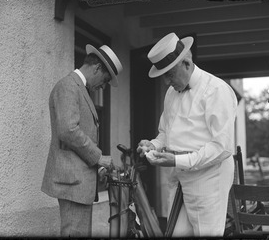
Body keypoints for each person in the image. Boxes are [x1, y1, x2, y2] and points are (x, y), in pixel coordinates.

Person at [137, 33, 237, 237]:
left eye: (169, 74)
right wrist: (153, 145)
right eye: (163, 76)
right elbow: (165, 133)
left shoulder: (217, 90)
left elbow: (222, 147)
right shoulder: (171, 93)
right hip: (180, 180)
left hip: (209, 181)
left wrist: (177, 160)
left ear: (186, 63)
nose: (166, 82)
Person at [41, 44, 123, 237]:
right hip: (72, 182)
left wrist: (97, 167)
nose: (103, 86)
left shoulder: (79, 89)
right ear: (96, 68)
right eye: (105, 80)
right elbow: (68, 130)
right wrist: (98, 157)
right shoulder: (68, 86)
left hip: (79, 183)